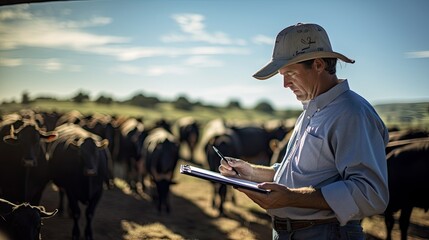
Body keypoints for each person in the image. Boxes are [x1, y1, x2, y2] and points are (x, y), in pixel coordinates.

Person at [219, 22, 389, 240]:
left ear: (318, 64)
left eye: (290, 73)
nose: (285, 84)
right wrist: (251, 172)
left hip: (326, 233)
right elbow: (299, 174)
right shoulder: (312, 111)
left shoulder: (351, 113)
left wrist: (291, 198)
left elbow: (370, 193)